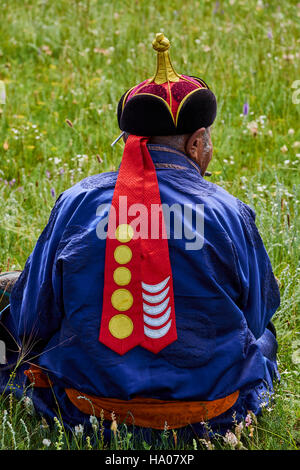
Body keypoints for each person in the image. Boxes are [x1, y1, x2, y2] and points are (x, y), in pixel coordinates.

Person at [0, 33, 280, 441]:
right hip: (209, 412)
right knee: (265, 333)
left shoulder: (77, 202)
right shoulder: (227, 211)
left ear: (129, 141)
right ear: (197, 142)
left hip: (87, 408)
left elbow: (30, 318)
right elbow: (254, 317)